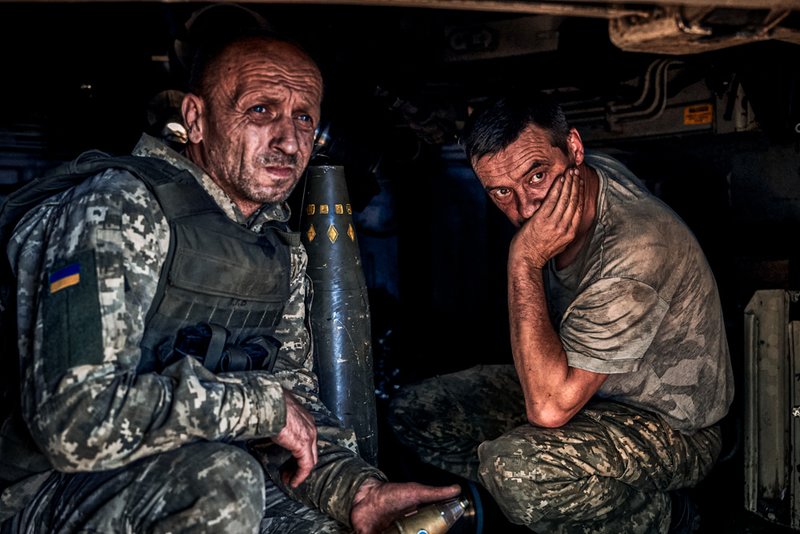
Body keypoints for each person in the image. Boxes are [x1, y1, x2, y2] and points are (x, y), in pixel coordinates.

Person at [0, 31, 459, 533]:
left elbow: (296, 416)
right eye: (261, 111)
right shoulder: (120, 205)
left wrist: (359, 492)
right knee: (224, 482)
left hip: (200, 475)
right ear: (196, 119)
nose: (288, 140)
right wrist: (258, 407)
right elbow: (73, 422)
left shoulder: (276, 247)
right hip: (53, 491)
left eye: (303, 117)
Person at [388, 93, 734, 533]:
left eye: (536, 176)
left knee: (516, 469)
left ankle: (665, 516)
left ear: (573, 148)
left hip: (672, 427)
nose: (526, 208)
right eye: (501, 191)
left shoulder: (636, 249)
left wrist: (523, 260)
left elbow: (549, 409)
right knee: (417, 412)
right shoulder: (584, 177)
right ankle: (541, 505)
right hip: (589, 393)